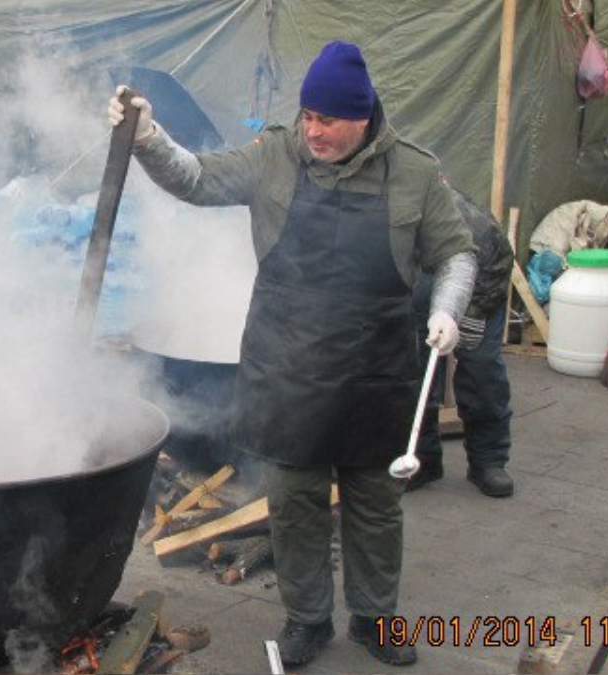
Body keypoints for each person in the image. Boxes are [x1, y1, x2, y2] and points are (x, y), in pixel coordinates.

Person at [109, 41, 477, 667]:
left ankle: (375, 619)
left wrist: (447, 309)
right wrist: (148, 138)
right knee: (295, 503)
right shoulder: (275, 155)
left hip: (375, 373)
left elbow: (457, 254)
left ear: (363, 118)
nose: (313, 131)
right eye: (307, 116)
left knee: (375, 508)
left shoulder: (415, 173)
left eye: (327, 120)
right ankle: (307, 619)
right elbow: (195, 179)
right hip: (288, 369)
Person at [408, 189, 516, 498]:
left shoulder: (473, 228)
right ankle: (421, 459)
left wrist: (465, 318)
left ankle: (488, 460)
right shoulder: (380, 217)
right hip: (416, 290)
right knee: (411, 371)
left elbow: (496, 265)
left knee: (480, 368)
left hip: (479, 286)